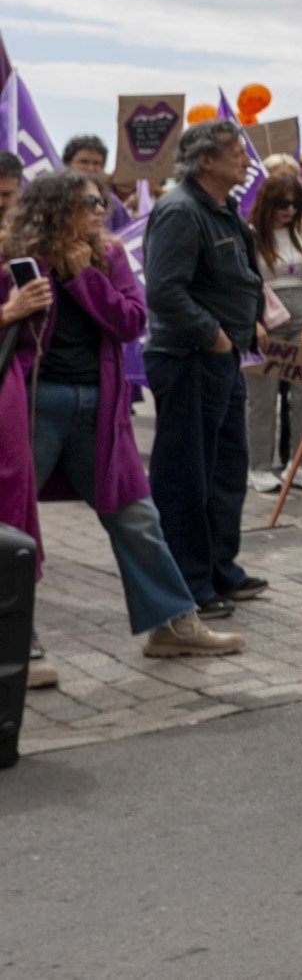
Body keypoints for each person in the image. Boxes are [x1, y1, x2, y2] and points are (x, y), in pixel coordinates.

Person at [1, 171, 245, 671]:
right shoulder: (12, 258)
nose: (100, 210)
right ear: (57, 207)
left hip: (101, 407)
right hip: (30, 404)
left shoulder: (107, 257)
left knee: (136, 515)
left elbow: (131, 321)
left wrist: (81, 277)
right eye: (89, 202)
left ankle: (174, 623)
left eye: (102, 201)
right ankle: (16, 638)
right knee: (12, 521)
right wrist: (12, 308)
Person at [143, 119, 269, 618]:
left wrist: (250, 322)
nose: (245, 159)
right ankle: (189, 584)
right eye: (236, 152)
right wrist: (213, 334)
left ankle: (221, 568)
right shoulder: (180, 210)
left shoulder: (222, 209)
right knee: (185, 479)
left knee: (225, 469)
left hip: (222, 360)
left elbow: (238, 277)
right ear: (206, 162)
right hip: (189, 360)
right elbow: (165, 291)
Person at [245, 172, 302, 495]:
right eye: (282, 203)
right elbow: (246, 280)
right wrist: (253, 320)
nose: (290, 210)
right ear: (268, 202)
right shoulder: (252, 234)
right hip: (267, 314)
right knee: (262, 398)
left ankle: (301, 463)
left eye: (296, 203)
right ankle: (260, 466)